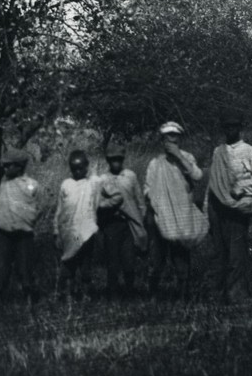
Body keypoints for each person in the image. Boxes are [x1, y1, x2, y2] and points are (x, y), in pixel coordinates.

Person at [205, 109, 252, 303]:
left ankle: (237, 296)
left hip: (237, 209)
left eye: (234, 126)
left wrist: (242, 186)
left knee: (236, 255)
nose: (230, 130)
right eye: (227, 127)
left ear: (240, 128)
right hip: (217, 209)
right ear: (223, 128)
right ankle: (217, 294)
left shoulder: (248, 151)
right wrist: (206, 208)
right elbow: (212, 183)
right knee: (219, 253)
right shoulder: (218, 151)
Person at [144, 121, 209, 301]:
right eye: (167, 137)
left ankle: (183, 297)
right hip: (161, 216)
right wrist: (156, 203)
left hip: (181, 217)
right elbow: (147, 189)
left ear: (179, 139)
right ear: (162, 140)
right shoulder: (155, 163)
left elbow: (197, 176)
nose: (171, 140)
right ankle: (153, 297)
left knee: (181, 258)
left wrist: (179, 157)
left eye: (174, 136)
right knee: (156, 258)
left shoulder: (187, 158)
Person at [53, 150, 121, 299]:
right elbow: (60, 209)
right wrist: (56, 231)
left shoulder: (93, 182)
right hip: (70, 231)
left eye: (80, 168)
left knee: (85, 262)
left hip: (86, 232)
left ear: (86, 167)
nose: (77, 172)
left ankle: (85, 294)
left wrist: (103, 204)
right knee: (70, 261)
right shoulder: (66, 184)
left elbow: (116, 195)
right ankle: (69, 293)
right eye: (74, 169)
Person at [0, 148, 40, 305]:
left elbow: (37, 207)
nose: (5, 169)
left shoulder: (31, 185)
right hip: (3, 232)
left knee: (24, 266)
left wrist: (28, 220)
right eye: (4, 165)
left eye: (9, 166)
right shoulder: (3, 184)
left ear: (19, 166)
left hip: (24, 233)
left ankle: (28, 299)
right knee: (0, 265)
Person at [97, 144, 147, 298]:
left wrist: (140, 219)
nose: (116, 163)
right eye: (112, 160)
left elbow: (139, 200)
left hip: (129, 224)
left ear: (123, 160)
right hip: (111, 224)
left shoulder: (130, 176)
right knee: (112, 260)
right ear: (108, 161)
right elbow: (97, 203)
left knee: (129, 259)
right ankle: (112, 293)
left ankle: (129, 292)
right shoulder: (102, 179)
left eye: (118, 160)